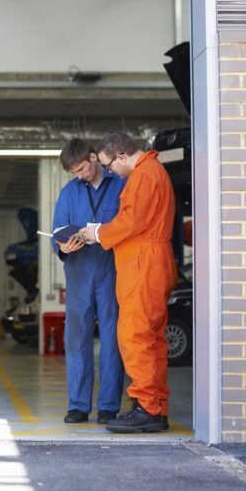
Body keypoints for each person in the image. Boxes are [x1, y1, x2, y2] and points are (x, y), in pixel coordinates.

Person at [79, 131, 176, 433]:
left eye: (109, 166)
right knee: (152, 339)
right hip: (151, 261)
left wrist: (97, 233)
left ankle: (146, 407)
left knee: (135, 336)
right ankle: (154, 407)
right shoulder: (152, 171)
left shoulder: (144, 175)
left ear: (121, 156)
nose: (110, 172)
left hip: (143, 265)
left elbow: (132, 221)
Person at [51, 138, 126, 425]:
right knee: (77, 338)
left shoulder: (120, 184)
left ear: (94, 158)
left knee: (112, 338)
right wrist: (63, 247)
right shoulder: (69, 192)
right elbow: (57, 230)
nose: (79, 175)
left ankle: (108, 406)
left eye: (81, 168)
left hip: (112, 269)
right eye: (74, 172)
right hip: (80, 270)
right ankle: (78, 405)